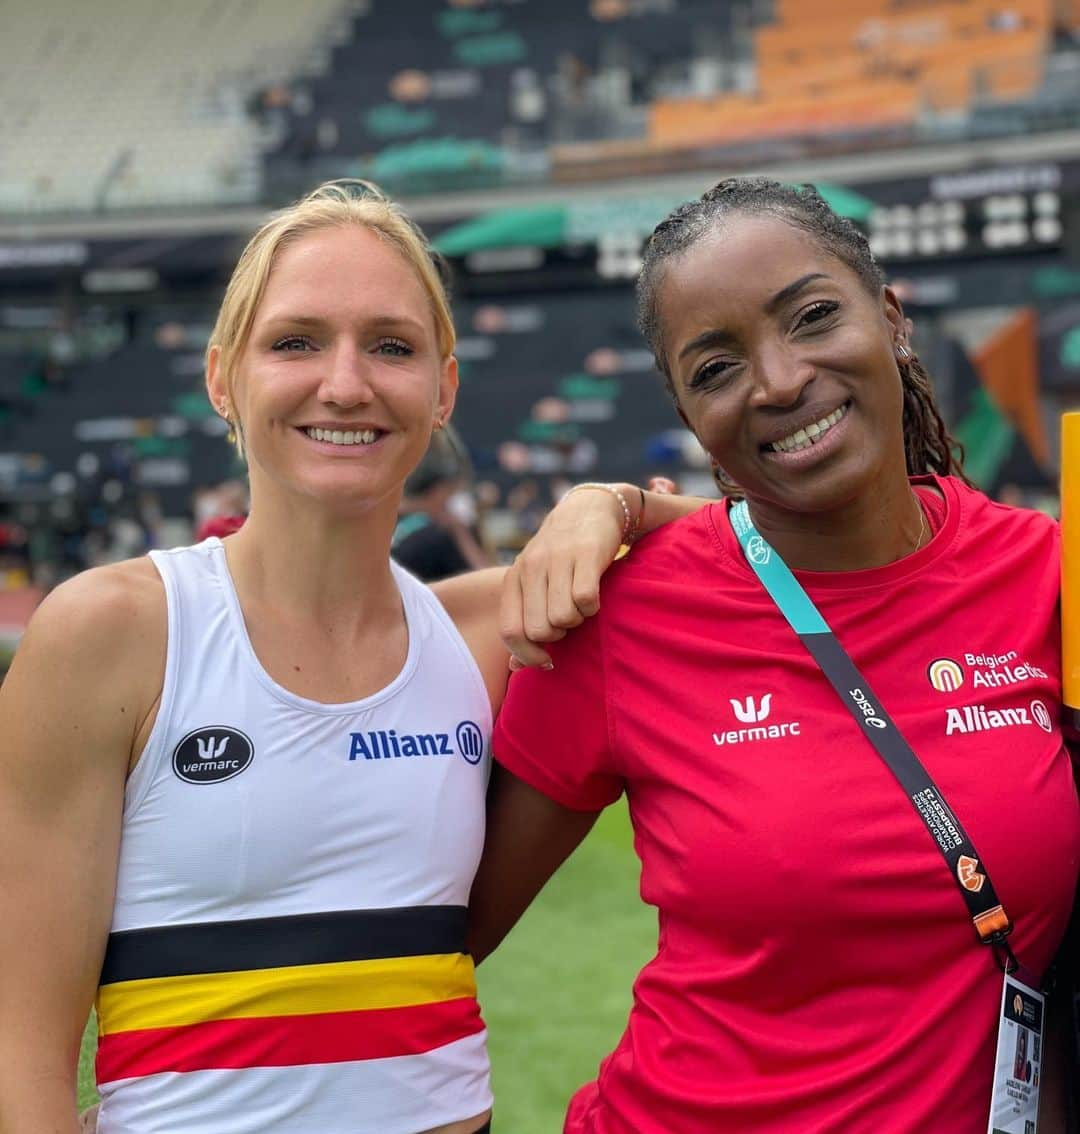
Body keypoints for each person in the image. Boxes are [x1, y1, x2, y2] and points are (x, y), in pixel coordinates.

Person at [0, 180, 681, 1134]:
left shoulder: (491, 633)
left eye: (392, 347)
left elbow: (759, 547)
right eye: (296, 341)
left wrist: (613, 504)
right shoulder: (111, 635)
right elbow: (17, 1056)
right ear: (221, 376)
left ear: (443, 388)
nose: (347, 383)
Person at [472, 179, 1080, 1133]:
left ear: (890, 318)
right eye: (714, 370)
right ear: (688, 415)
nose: (779, 380)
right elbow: (441, 939)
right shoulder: (624, 612)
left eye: (813, 316)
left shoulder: (1051, 577)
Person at [393, 424, 493, 582]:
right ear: (437, 491)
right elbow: (486, 579)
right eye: (454, 489)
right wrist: (459, 532)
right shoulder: (438, 537)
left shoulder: (403, 525)